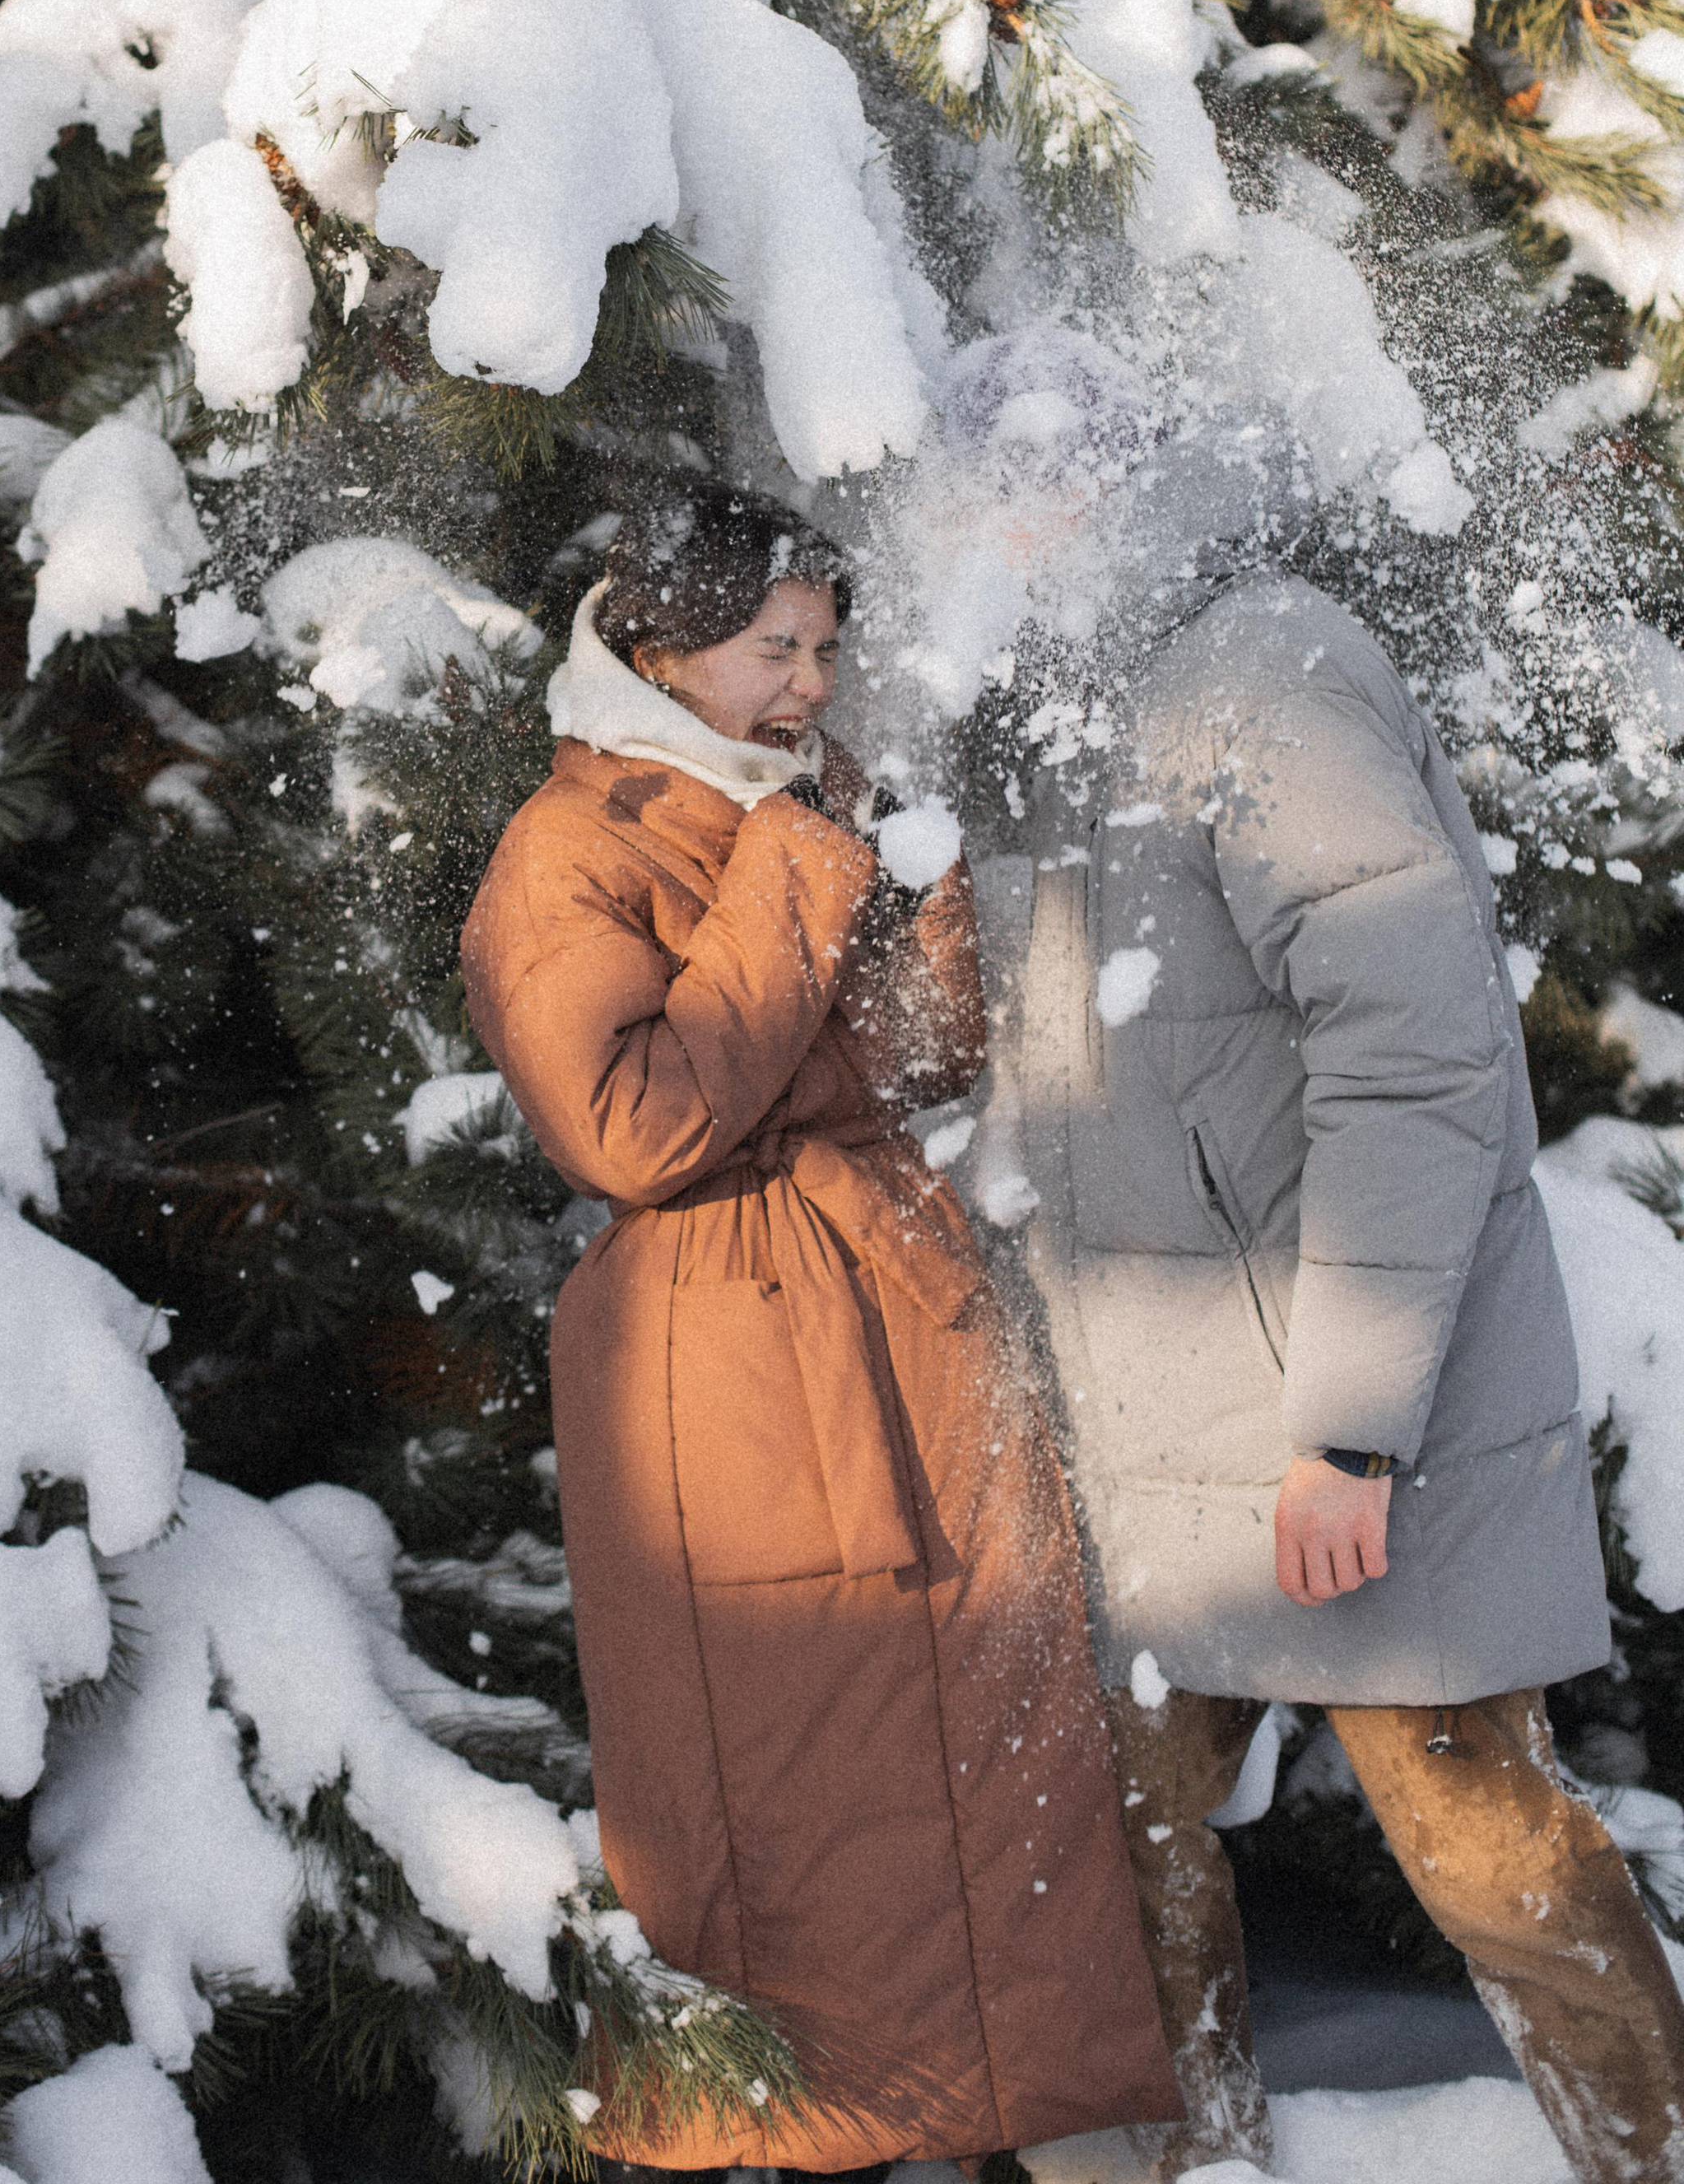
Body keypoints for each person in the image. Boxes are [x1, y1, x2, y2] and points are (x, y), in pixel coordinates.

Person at [936, 329, 1684, 2184]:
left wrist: (1346, 1428)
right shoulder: (1042, 706)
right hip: (1142, 1427)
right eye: (993, 484)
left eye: (1059, 476)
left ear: (1132, 480)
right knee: (1114, 1840)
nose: (1027, 517)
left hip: (1343, 1416)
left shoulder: (1259, 680)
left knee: (1480, 1843)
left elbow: (1417, 1064)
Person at [460, 482, 1179, 2176]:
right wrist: (794, 864)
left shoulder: (804, 801)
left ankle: (999, 2129)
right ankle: (788, 2143)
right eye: (770, 648)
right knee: (796, 1786)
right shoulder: (563, 851)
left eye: (822, 649)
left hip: (902, 1316)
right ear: (657, 642)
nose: (806, 682)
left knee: (981, 1745)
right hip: (727, 1368)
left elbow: (918, 1063)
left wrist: (908, 887)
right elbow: (630, 1124)